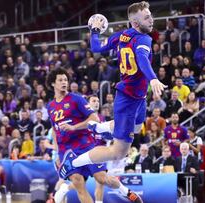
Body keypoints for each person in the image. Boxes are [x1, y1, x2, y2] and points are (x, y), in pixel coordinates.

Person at [59, 1, 166, 174]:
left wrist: (94, 31)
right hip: (128, 101)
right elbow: (142, 58)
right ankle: (74, 162)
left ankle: (100, 128)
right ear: (136, 23)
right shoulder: (144, 39)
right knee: (119, 153)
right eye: (147, 18)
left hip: (138, 98)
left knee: (138, 128)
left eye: (150, 15)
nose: (151, 20)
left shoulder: (121, 35)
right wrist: (153, 78)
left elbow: (96, 47)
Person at [46, 68, 142, 203]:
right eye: (60, 80)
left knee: (102, 178)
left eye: (66, 80)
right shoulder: (50, 106)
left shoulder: (76, 99)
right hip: (66, 150)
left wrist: (74, 127)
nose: (64, 82)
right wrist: (57, 152)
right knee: (78, 183)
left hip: (85, 144)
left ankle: (126, 191)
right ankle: (63, 191)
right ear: (52, 84)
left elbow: (94, 118)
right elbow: (54, 129)